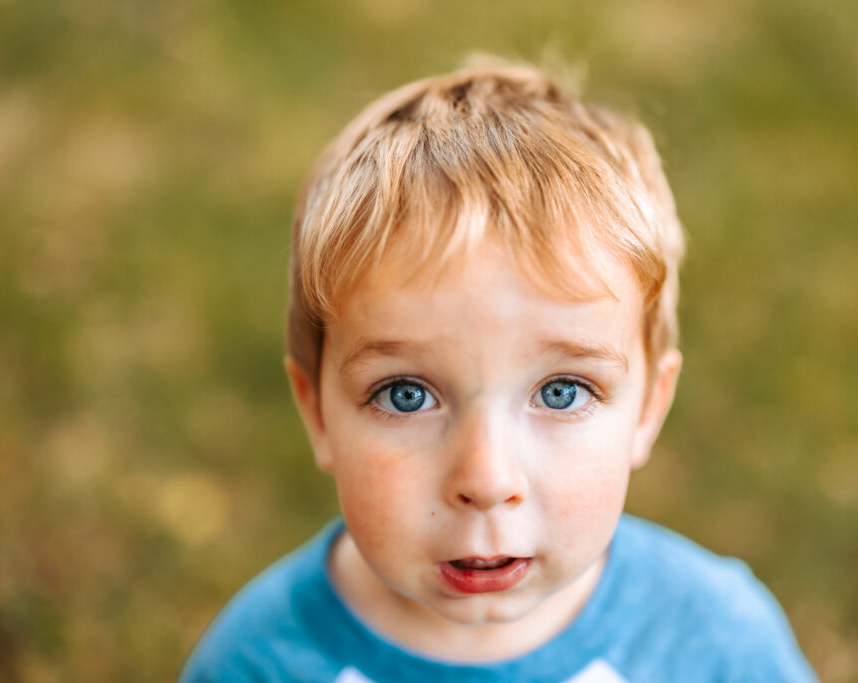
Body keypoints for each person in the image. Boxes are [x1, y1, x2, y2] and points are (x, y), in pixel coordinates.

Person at [181, 58, 817, 682]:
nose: (485, 479)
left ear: (650, 405)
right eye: (405, 395)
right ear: (316, 412)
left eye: (562, 391)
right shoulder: (256, 663)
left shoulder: (715, 645)